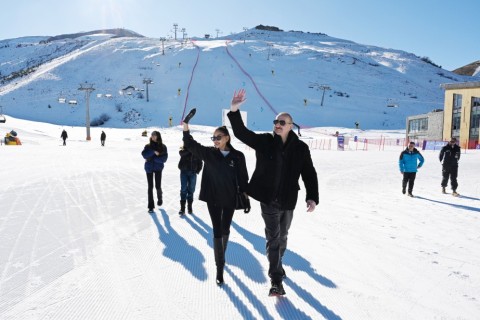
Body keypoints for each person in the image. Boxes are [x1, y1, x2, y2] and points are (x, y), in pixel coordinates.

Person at [227, 89, 319, 296]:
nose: (277, 125)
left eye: (281, 123)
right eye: (275, 122)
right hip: (268, 198)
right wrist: (234, 109)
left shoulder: (301, 148)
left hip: (288, 199)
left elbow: (309, 173)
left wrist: (312, 196)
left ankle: (277, 264)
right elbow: (241, 133)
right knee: (273, 237)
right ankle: (276, 279)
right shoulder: (265, 142)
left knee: (283, 236)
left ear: (290, 126)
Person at [182, 120, 249, 286]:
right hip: (213, 198)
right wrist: (186, 128)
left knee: (226, 228)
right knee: (217, 230)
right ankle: (220, 267)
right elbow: (190, 145)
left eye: (218, 137)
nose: (215, 140)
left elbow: (243, 179)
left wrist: (246, 197)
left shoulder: (238, 156)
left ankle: (221, 255)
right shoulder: (210, 153)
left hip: (230, 198)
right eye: (213, 138)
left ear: (227, 138)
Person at [141, 131, 168, 213]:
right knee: (150, 187)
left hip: (158, 168)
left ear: (158, 136)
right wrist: (153, 152)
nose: (152, 136)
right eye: (152, 135)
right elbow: (144, 155)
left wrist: (154, 158)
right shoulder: (148, 146)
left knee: (158, 186)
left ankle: (160, 198)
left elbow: (164, 159)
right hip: (149, 168)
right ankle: (151, 206)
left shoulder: (163, 147)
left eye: (154, 135)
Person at [178, 144, 203, 215]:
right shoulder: (183, 151)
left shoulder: (197, 152)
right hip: (184, 172)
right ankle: (182, 208)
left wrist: (197, 170)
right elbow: (181, 154)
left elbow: (200, 162)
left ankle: (190, 206)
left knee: (191, 189)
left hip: (193, 173)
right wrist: (190, 149)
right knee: (183, 189)